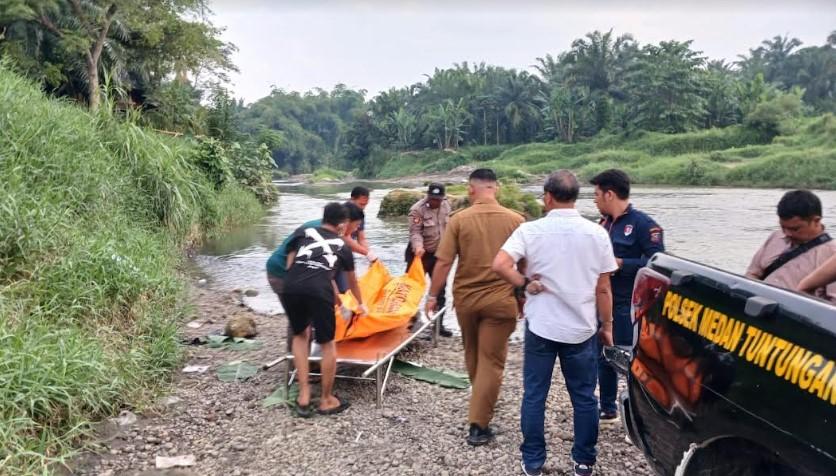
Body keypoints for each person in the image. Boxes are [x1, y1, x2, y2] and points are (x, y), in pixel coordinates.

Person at [493, 170, 618, 476]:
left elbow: (499, 264)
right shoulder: (597, 233)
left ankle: (534, 461)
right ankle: (584, 461)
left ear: (547, 197)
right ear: (576, 198)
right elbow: (603, 288)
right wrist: (608, 326)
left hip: (541, 327)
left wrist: (523, 284)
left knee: (535, 394)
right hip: (582, 328)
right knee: (585, 397)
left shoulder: (530, 230)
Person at [424, 168, 525, 446]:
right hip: (501, 300)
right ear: (497, 188)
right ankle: (479, 425)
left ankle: (481, 399)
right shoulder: (516, 220)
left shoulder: (459, 220)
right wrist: (523, 296)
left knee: (473, 355)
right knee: (492, 361)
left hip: (466, 301)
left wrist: (432, 296)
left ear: (471, 189)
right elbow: (525, 264)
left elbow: (443, 263)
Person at [589, 169, 665, 426]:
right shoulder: (602, 225)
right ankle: (608, 408)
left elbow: (657, 263)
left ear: (610, 194)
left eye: (597, 195)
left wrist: (622, 263)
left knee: (626, 357)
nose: (595, 200)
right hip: (602, 300)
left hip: (628, 303)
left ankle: (639, 413)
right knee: (604, 354)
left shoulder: (645, 226)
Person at [281, 203, 368, 417]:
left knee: (301, 336)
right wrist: (360, 303)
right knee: (327, 343)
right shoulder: (342, 245)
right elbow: (352, 281)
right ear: (342, 224)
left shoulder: (303, 232)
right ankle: (327, 400)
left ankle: (303, 396)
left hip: (291, 287)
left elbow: (290, 266)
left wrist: (337, 300)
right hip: (319, 291)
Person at [747, 190, 835, 302]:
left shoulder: (832, 254)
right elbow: (752, 275)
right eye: (783, 227)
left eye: (795, 229)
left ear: (816, 221)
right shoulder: (776, 237)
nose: (787, 233)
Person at [406, 182, 453, 337]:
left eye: (438, 199)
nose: (435, 202)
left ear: (443, 198)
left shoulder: (446, 206)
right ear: (428, 196)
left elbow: (450, 227)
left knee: (440, 290)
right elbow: (415, 233)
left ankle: (438, 325)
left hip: (439, 255)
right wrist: (418, 248)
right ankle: (408, 324)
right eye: (432, 199)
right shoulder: (417, 210)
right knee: (411, 290)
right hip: (419, 255)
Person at [335, 186, 377, 292]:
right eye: (361, 204)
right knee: (344, 289)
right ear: (352, 199)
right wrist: (368, 254)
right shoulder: (341, 213)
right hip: (335, 255)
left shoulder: (359, 214)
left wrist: (370, 256)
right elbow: (345, 238)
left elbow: (361, 238)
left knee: (349, 287)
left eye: (366, 205)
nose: (363, 207)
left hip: (346, 255)